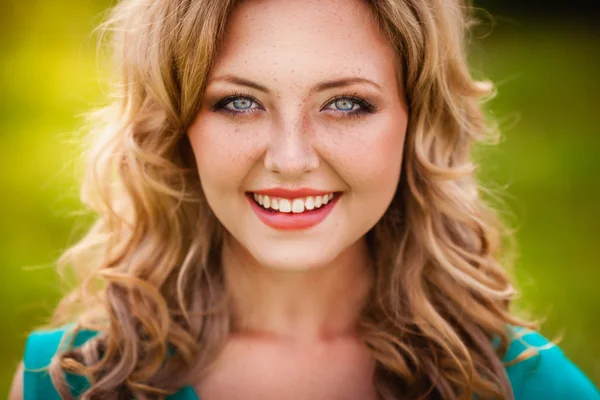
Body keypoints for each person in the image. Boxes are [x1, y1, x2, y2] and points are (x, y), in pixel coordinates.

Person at [8, 0, 600, 399]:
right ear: (177, 128)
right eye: (239, 102)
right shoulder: (70, 379)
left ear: (415, 121)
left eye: (345, 103)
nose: (291, 160)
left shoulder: (521, 384)